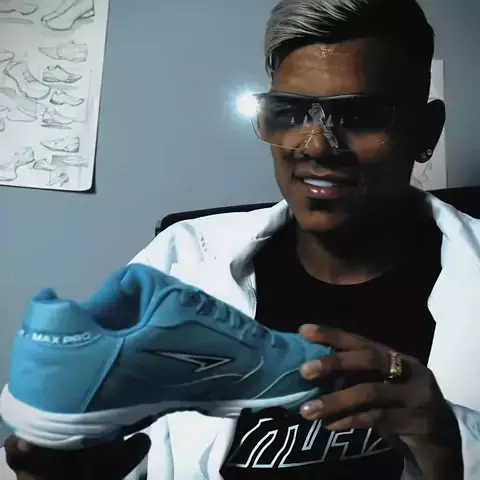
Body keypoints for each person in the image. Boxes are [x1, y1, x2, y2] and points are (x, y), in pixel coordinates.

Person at [3, 0, 480, 478]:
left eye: (360, 116)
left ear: (427, 131)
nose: (316, 146)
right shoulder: (183, 258)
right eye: (290, 113)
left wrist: (447, 443)